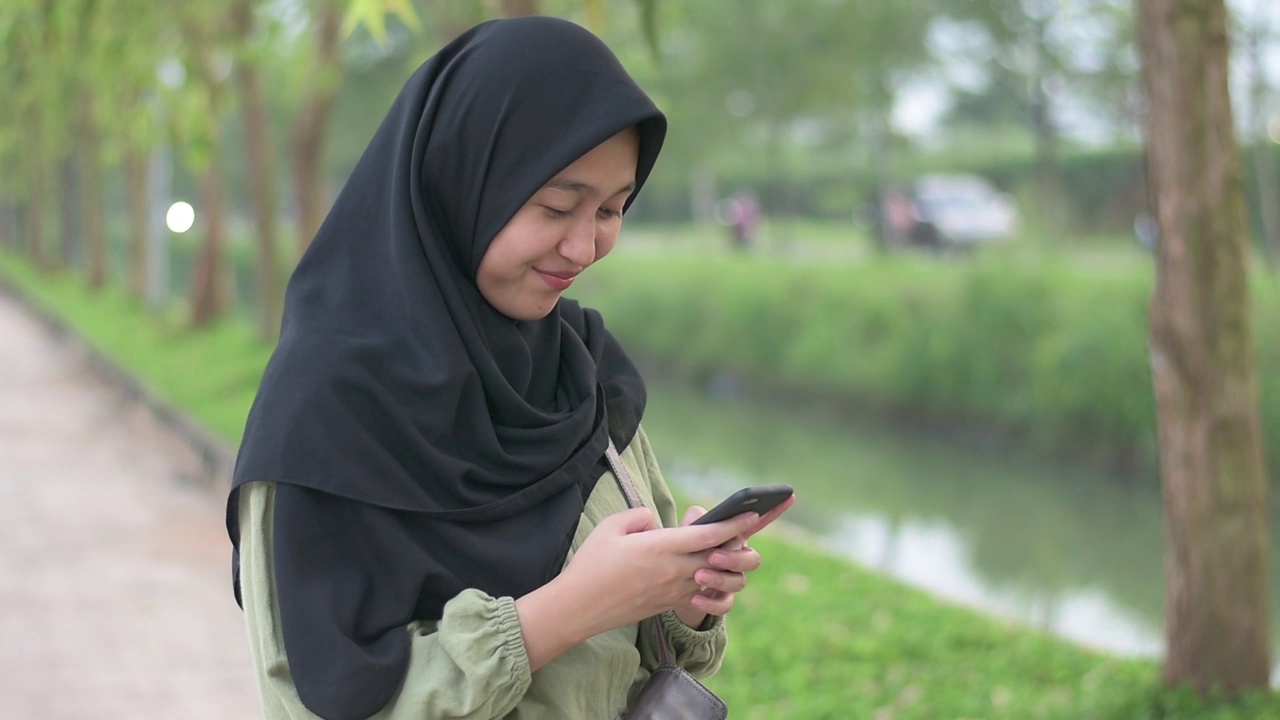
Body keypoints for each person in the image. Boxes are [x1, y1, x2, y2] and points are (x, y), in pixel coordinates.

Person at [225, 16, 794, 720]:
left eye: (614, 210)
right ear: (459, 182)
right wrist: (569, 608)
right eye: (556, 207)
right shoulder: (326, 414)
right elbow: (316, 701)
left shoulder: (578, 371)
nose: (583, 246)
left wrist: (683, 596)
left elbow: (639, 652)